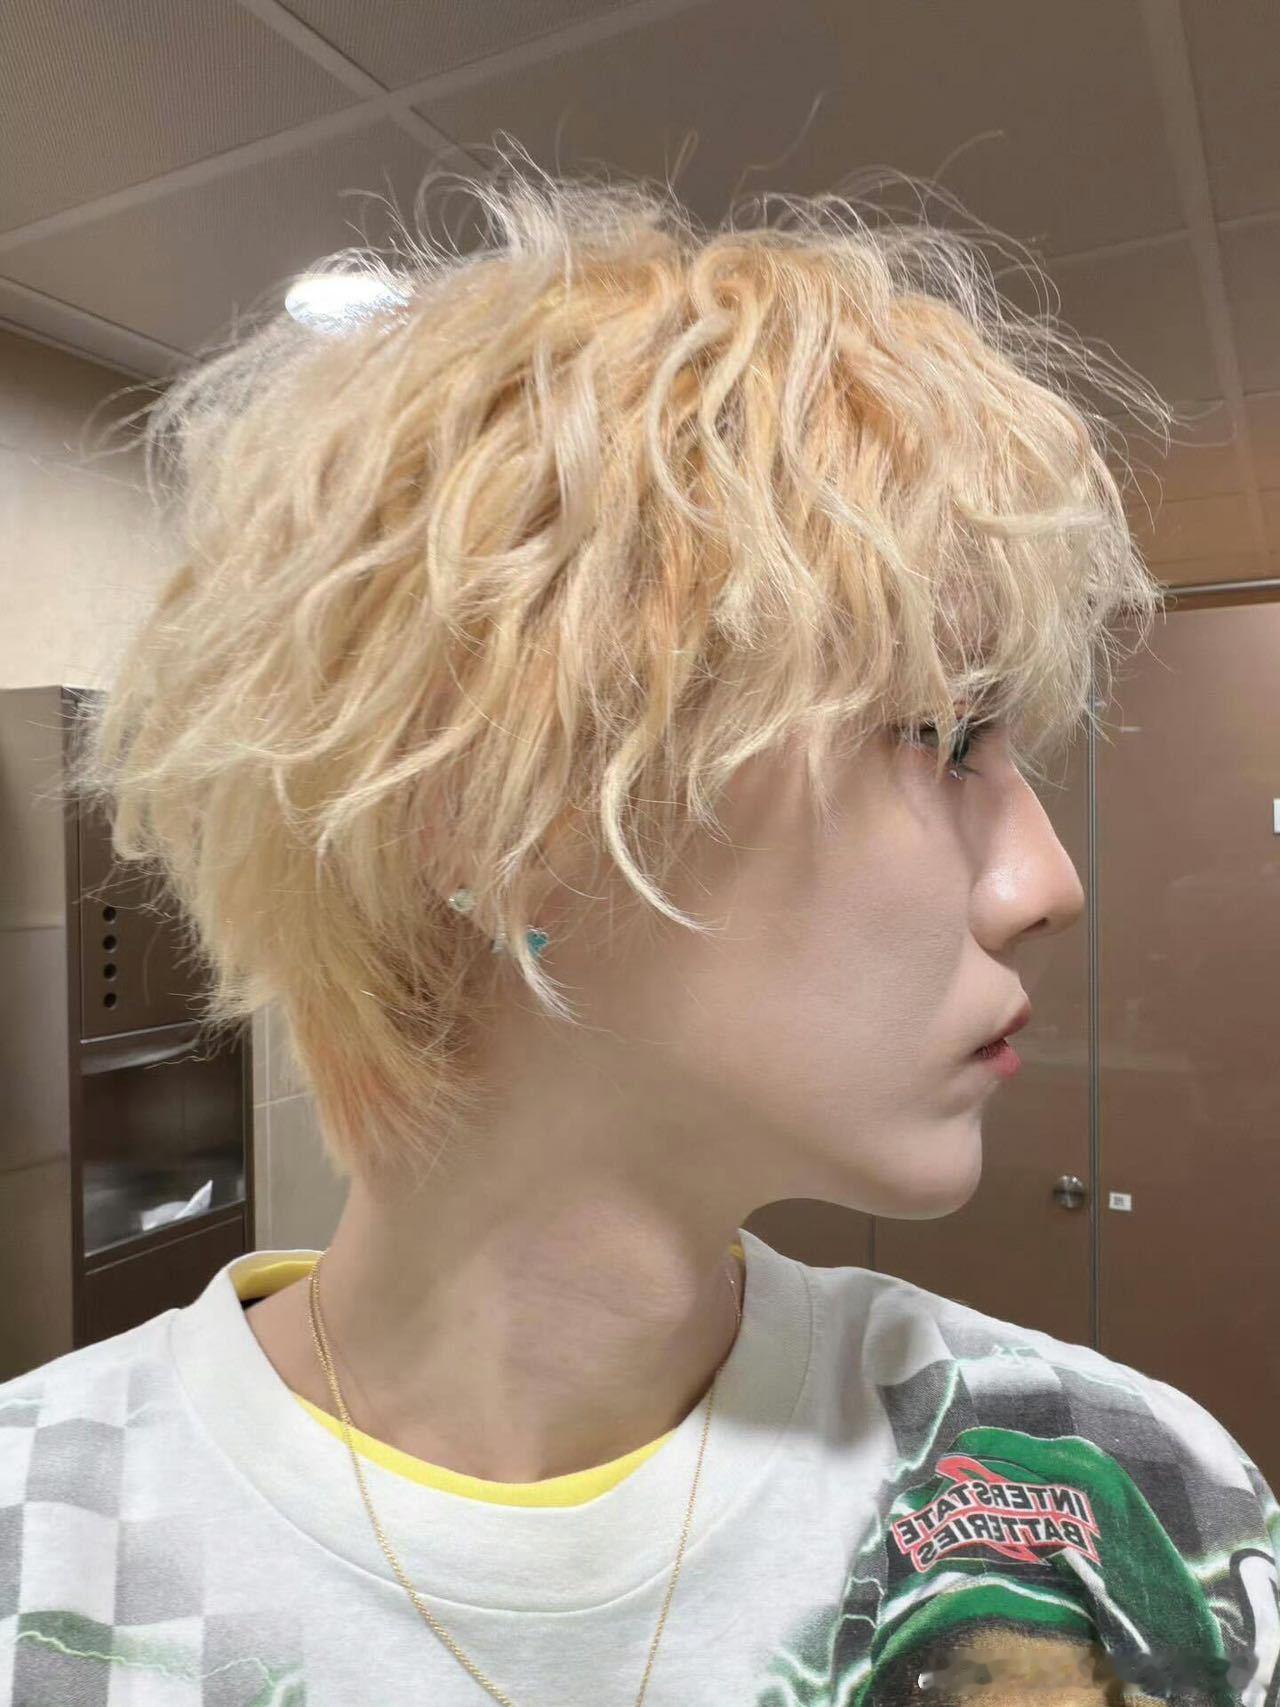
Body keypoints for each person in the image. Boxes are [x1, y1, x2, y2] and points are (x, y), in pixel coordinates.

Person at [2, 157, 1276, 1707]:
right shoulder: (40, 1567)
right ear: (506, 828)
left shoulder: (1118, 1514)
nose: (1043, 882)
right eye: (942, 737)